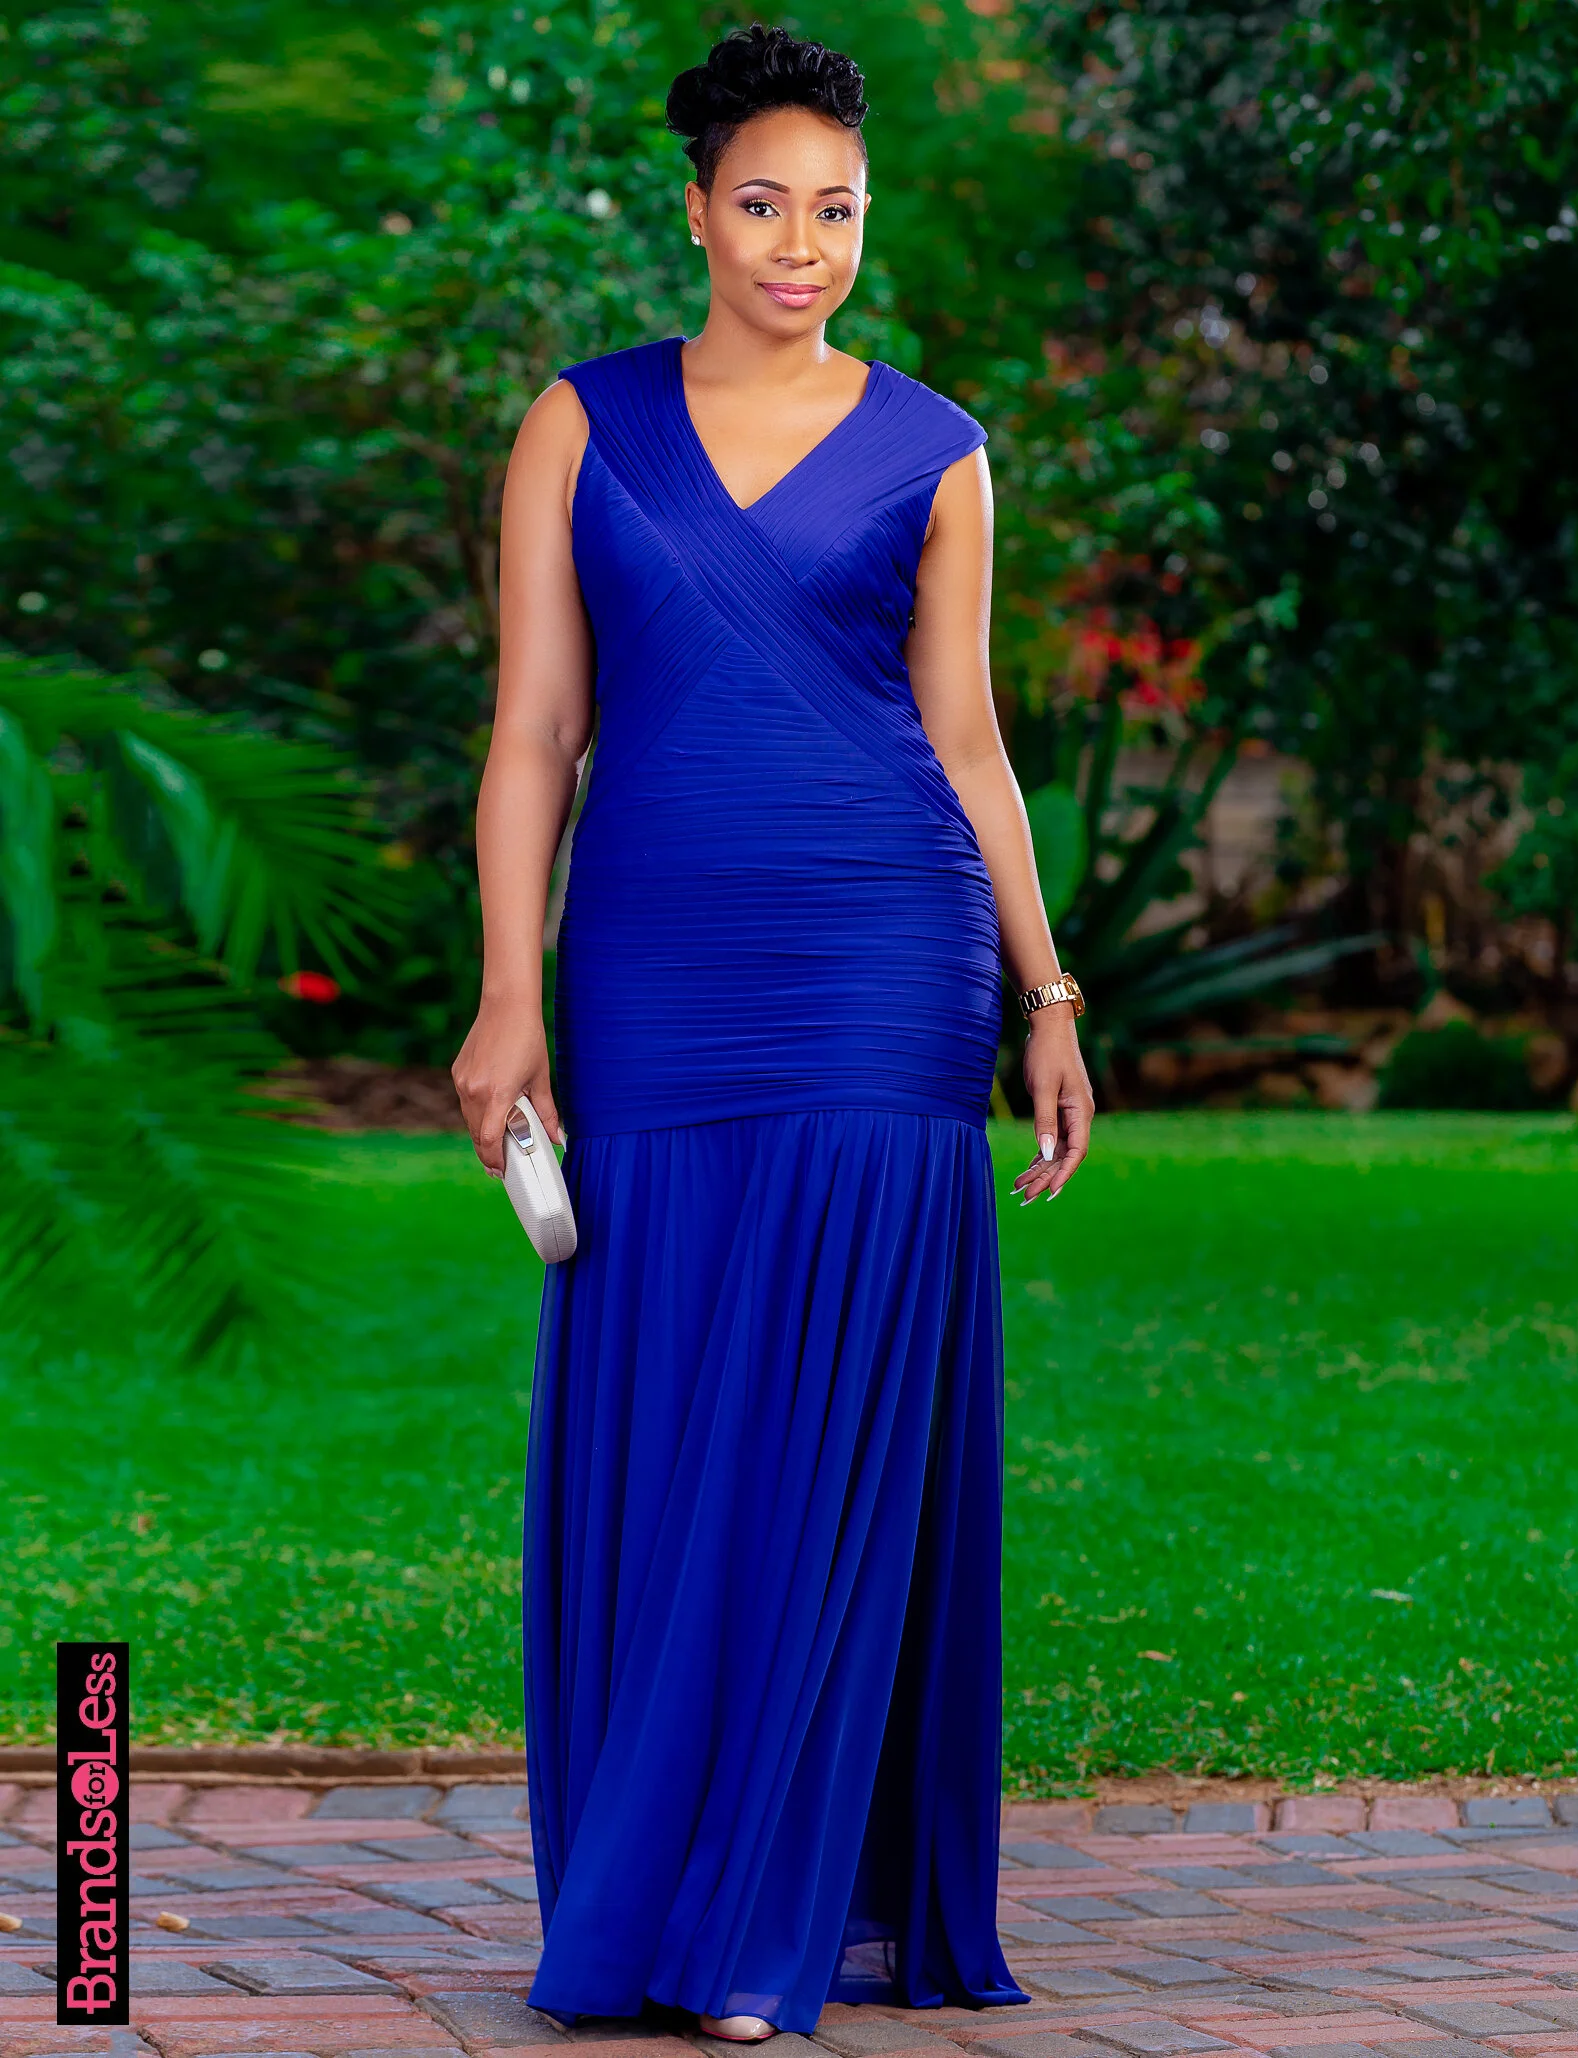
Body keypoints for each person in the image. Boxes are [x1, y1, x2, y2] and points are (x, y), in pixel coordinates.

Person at [452, 22, 1096, 2043]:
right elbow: (533, 735)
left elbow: (970, 743)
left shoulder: (937, 444)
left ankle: (754, 1931)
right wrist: (504, 989)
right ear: (696, 208)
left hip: (884, 965)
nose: (802, 245)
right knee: (669, 1427)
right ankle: (666, 1893)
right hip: (650, 971)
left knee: (819, 1440)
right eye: (763, 203)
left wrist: (1047, 991)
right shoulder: (580, 426)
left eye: (836, 209)